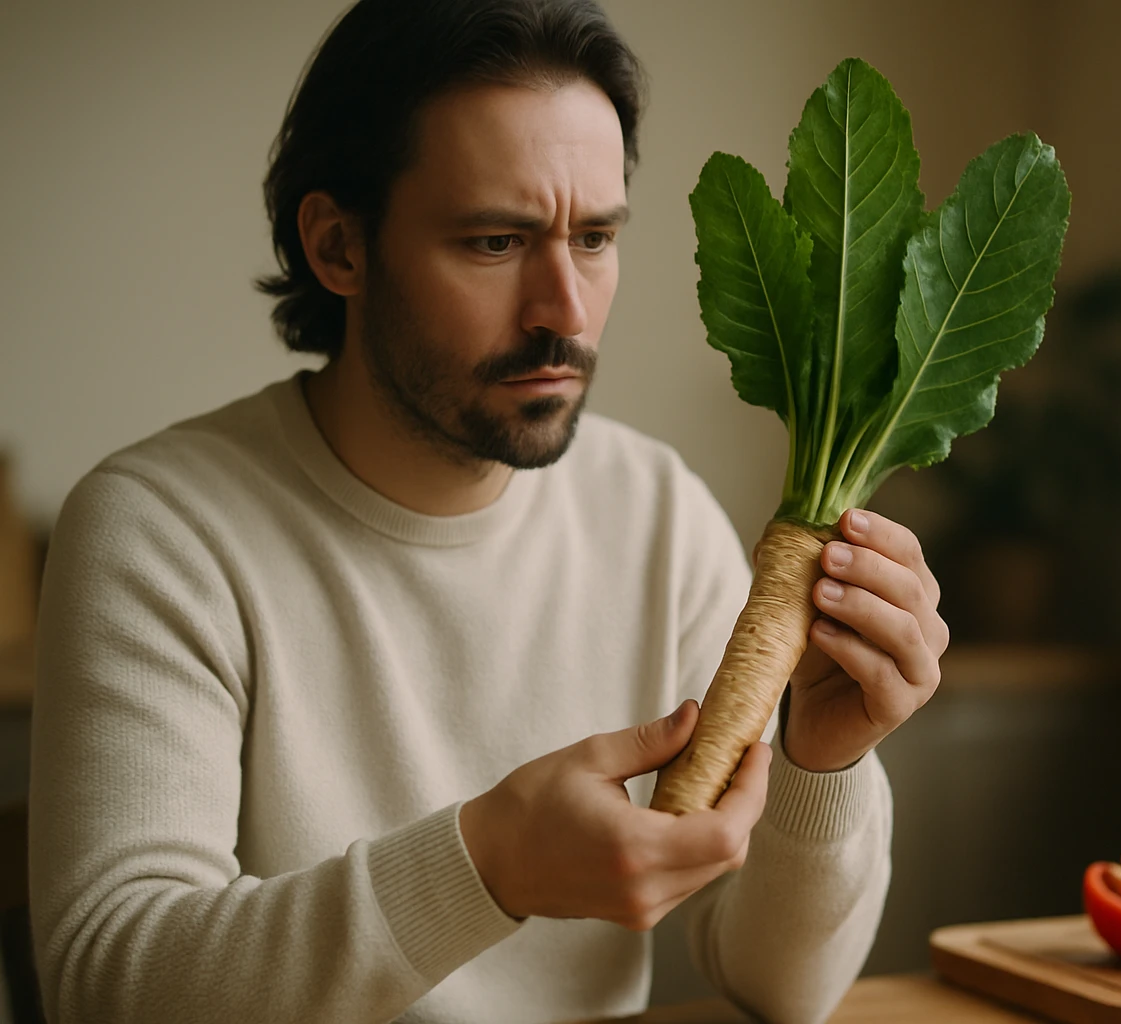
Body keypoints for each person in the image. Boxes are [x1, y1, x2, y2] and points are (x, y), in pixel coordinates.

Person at [27, 0, 948, 1021]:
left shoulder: (656, 515)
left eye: (595, 237)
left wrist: (826, 760)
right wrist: (487, 865)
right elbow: (109, 984)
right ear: (339, 246)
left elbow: (783, 987)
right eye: (496, 241)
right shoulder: (157, 532)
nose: (565, 308)